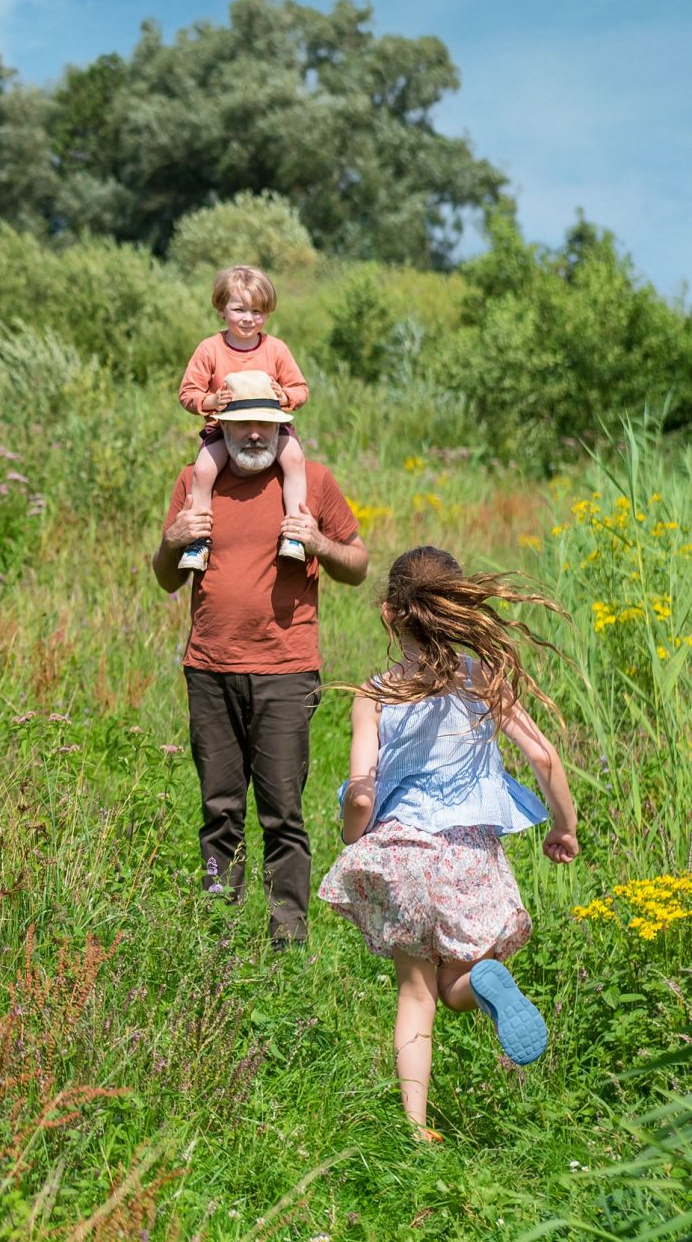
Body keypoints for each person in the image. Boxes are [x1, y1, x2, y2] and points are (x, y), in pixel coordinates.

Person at [318, 545, 579, 1143]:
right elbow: (544, 757)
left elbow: (361, 792)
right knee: (458, 985)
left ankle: (416, 1129)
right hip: (466, 856)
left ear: (389, 615)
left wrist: (354, 839)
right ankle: (484, 979)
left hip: (403, 854)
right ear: (457, 612)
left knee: (416, 993)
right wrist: (563, 827)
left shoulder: (375, 693)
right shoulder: (481, 678)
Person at [152, 372, 369, 947]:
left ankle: (287, 934)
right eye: (243, 423)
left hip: (286, 670)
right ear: (219, 425)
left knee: (282, 810)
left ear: (282, 426)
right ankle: (218, 926)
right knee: (219, 807)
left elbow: (358, 564)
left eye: (265, 424)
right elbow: (166, 578)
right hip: (209, 667)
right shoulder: (195, 481)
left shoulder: (312, 483)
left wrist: (318, 543)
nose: (254, 434)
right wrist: (173, 540)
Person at [177, 264, 309, 571]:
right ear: (222, 310)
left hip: (271, 426)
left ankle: (294, 532)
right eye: (239, 309)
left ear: (267, 314)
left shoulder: (276, 349)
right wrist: (210, 401)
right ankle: (199, 541)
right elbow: (187, 393)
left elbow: (301, 389)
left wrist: (285, 396)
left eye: (257, 311)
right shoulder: (209, 348)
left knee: (294, 460)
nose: (249, 319)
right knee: (203, 471)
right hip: (224, 426)